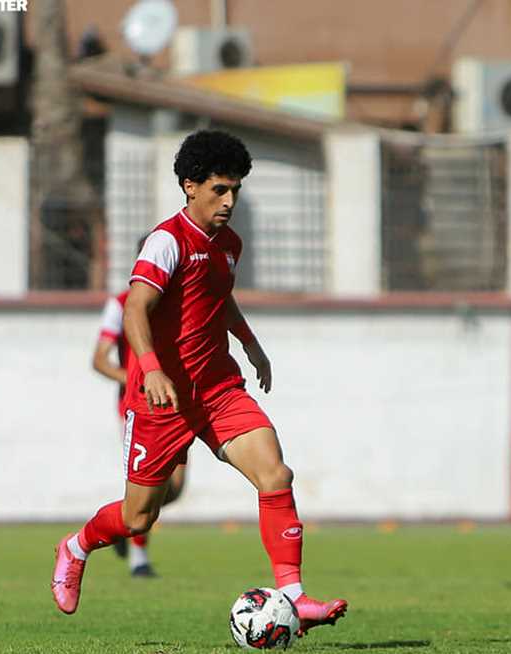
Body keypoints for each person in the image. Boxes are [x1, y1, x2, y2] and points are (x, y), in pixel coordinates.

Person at [51, 130, 348, 634]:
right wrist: (150, 369)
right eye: (219, 190)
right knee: (138, 517)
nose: (229, 201)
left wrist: (250, 343)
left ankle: (295, 599)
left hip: (217, 389)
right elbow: (136, 310)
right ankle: (76, 546)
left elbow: (218, 297)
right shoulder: (167, 241)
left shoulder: (229, 244)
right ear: (190, 186)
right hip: (160, 401)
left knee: (275, 475)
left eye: (235, 190)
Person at [92, 238, 185, 577]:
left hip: (179, 403)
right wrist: (137, 379)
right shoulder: (121, 304)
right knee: (150, 482)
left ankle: (121, 524)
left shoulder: (181, 302)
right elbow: (99, 360)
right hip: (138, 404)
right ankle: (139, 560)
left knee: (174, 487)